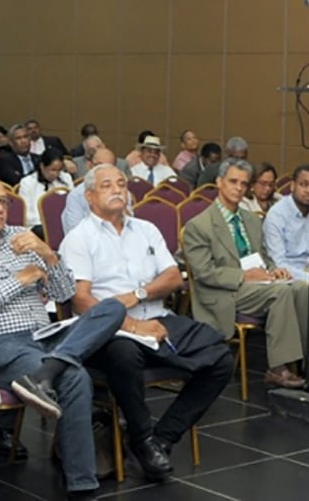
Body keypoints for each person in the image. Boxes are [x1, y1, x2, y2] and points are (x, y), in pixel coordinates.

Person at [0, 173, 125, 499]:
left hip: (46, 334)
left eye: (4, 202)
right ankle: (83, 486)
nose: (0, 209)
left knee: (111, 309)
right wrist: (20, 279)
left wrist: (49, 256)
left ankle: (48, 370)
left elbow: (64, 293)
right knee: (76, 377)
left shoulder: (22, 237)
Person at [59, 164, 233, 482]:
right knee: (124, 355)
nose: (117, 190)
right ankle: (141, 438)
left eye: (121, 184)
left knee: (220, 355)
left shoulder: (146, 229)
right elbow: (81, 300)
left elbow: (173, 278)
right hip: (109, 332)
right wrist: (132, 325)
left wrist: (139, 294)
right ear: (89, 196)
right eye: (107, 185)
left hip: (156, 318)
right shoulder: (78, 239)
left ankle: (161, 438)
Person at [184, 159, 309, 389]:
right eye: (233, 182)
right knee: (281, 293)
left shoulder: (252, 220)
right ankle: (278, 367)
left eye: (244, 184)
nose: (239, 188)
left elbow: (265, 256)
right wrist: (244, 276)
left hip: (258, 285)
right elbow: (204, 273)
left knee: (303, 289)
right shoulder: (199, 225)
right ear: (219, 182)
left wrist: (275, 269)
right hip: (225, 291)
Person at [263, 164, 309, 282]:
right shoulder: (277, 215)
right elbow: (278, 262)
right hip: (287, 279)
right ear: (292, 186)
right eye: (303, 185)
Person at [17, 148, 73, 239]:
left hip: (63, 222)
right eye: (52, 170)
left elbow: (72, 204)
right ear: (42, 166)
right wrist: (49, 221)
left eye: (59, 170)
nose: (56, 174)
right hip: (38, 224)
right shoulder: (27, 182)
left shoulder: (66, 178)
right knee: (46, 231)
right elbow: (25, 214)